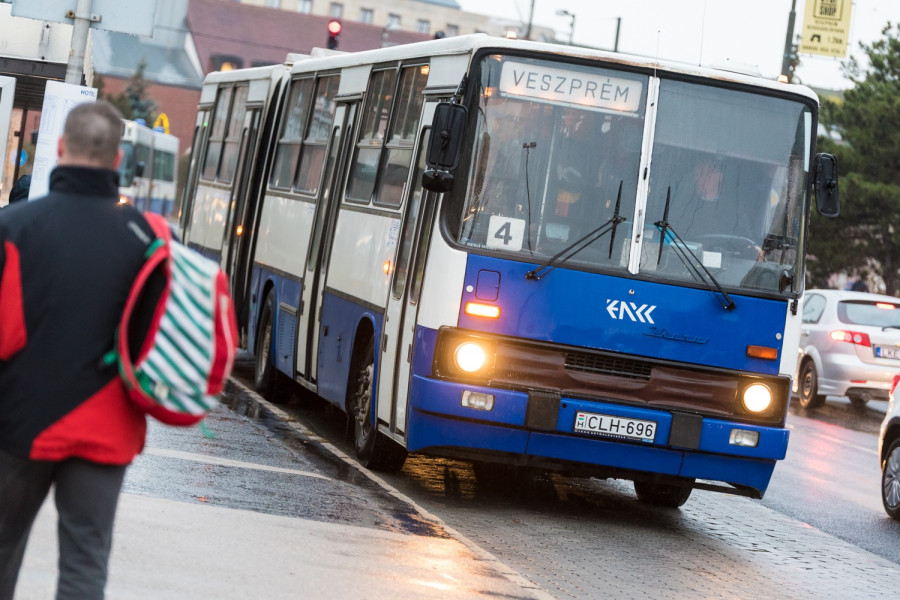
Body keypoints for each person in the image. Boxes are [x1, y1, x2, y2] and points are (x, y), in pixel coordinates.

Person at [0, 101, 156, 600]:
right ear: (117, 160)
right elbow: (148, 345)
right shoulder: (144, 239)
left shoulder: (14, 227)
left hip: (19, 425)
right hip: (105, 429)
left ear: (62, 149)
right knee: (85, 566)